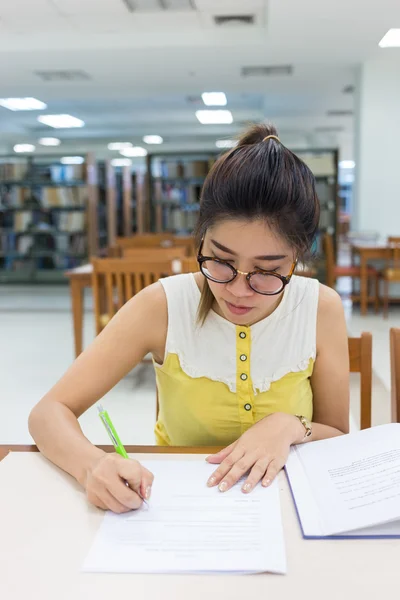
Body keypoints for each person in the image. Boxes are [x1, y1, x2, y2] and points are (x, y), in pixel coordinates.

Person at [29, 123, 349, 514]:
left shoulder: (321, 307)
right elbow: (49, 413)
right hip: (175, 510)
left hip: (290, 510)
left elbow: (337, 435)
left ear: (298, 256)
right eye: (222, 260)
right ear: (201, 239)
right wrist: (92, 465)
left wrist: (290, 426)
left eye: (267, 270)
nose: (238, 289)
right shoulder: (162, 305)